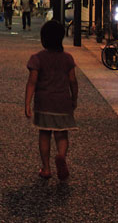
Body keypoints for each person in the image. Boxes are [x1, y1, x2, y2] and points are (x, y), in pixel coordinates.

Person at [25, 20, 79, 181]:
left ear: (43, 39)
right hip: (62, 101)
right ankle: (61, 155)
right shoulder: (67, 59)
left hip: (44, 102)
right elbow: (73, 81)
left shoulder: (37, 58)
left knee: (44, 133)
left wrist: (27, 103)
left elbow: (32, 82)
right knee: (62, 134)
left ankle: (46, 168)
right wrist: (74, 99)